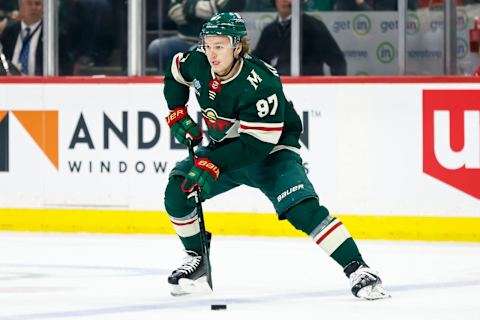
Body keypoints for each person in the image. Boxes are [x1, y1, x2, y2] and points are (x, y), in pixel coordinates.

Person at [162, 12, 390, 300]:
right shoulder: (198, 60)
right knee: (178, 191)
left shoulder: (261, 83)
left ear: (237, 46)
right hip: (227, 150)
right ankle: (196, 258)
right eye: (207, 45)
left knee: (302, 209)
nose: (211, 53)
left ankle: (358, 268)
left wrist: (213, 162)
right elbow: (175, 74)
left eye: (219, 46)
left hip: (271, 152)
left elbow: (256, 145)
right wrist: (177, 111)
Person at [147, 0, 245, 73]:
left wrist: (188, 5)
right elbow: (174, 12)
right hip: (184, 40)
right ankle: (174, 82)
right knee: (156, 47)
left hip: (215, 43)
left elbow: (221, 11)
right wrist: (207, 8)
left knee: (196, 54)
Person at [253, 0, 346, 76]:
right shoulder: (269, 31)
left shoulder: (313, 27)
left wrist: (336, 90)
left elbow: (338, 62)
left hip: (309, 91)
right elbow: (257, 63)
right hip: (277, 91)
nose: (284, 1)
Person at [0, 0, 73, 75]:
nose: (34, 7)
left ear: (44, 8)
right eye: (29, 4)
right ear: (21, 6)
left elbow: (66, 67)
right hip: (10, 83)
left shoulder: (53, 35)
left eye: (37, 4)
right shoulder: (9, 31)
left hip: (41, 84)